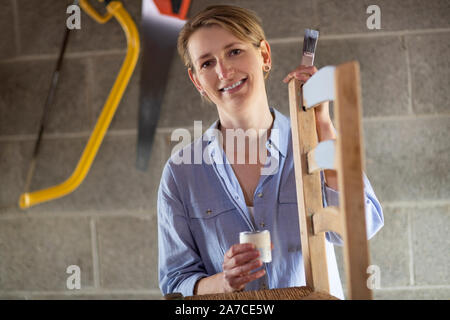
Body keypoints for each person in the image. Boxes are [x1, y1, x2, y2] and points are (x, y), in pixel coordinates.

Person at [157, 5, 383, 299]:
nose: (224, 71)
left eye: (234, 51)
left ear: (264, 55)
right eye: (207, 63)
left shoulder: (316, 143)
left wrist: (322, 125)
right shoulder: (181, 172)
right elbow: (175, 283)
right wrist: (224, 282)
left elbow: (360, 227)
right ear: (197, 81)